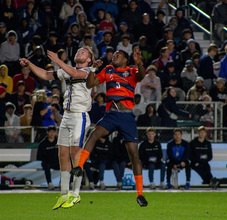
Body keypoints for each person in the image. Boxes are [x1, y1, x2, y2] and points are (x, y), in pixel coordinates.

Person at [19, 46, 97, 209]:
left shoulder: (89, 71)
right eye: (78, 51)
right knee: (62, 153)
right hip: (67, 116)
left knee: (75, 152)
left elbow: (76, 74)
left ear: (89, 60)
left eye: (83, 52)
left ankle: (75, 194)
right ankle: (64, 194)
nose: (79, 52)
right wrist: (29, 64)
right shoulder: (68, 70)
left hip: (80, 115)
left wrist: (57, 60)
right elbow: (46, 75)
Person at [70, 49, 148, 207]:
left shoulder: (131, 70)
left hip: (127, 116)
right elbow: (90, 84)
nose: (114, 57)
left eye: (117, 55)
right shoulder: (107, 70)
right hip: (111, 114)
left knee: (134, 155)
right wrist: (92, 69)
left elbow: (141, 76)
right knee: (94, 134)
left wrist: (139, 62)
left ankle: (139, 194)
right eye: (113, 55)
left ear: (126, 60)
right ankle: (79, 166)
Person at [36, 126, 60, 190]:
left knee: (68, 165)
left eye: (53, 132)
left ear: (56, 133)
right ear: (47, 132)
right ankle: (50, 183)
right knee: (46, 165)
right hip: (47, 162)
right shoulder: (43, 143)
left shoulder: (59, 142)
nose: (52, 133)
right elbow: (39, 156)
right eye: (50, 132)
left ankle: (63, 183)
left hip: (57, 162)